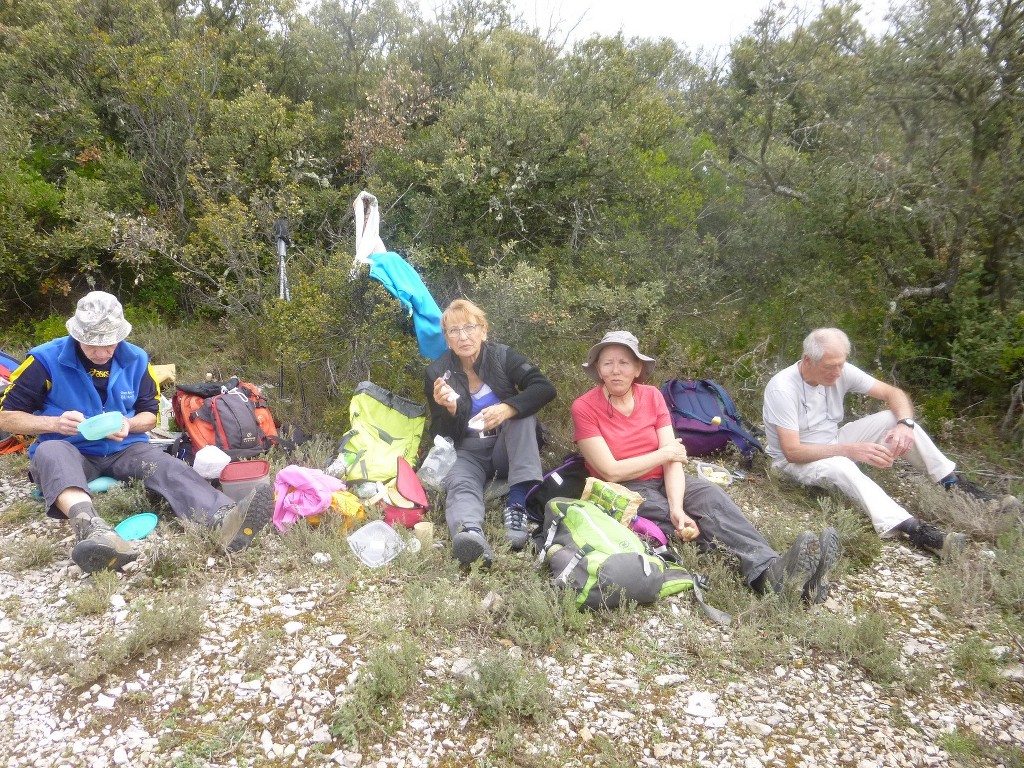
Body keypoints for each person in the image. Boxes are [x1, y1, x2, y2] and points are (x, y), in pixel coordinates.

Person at [0, 291, 274, 574]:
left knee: (168, 465)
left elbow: (149, 413)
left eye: (110, 343)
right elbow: (7, 417)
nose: (103, 352)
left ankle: (223, 519)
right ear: (76, 334)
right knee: (50, 451)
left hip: (124, 447)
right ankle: (91, 529)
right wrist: (54, 424)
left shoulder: (136, 359)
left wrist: (128, 425)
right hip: (69, 448)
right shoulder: (44, 360)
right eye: (93, 344)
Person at [571, 331, 840, 603]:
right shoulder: (584, 407)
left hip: (666, 477)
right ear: (598, 369)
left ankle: (777, 570)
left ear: (638, 368)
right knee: (684, 522)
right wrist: (665, 455)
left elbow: (674, 460)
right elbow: (611, 470)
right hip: (624, 489)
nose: (616, 370)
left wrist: (677, 505)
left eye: (624, 363)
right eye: (607, 363)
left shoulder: (652, 396)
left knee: (712, 498)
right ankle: (771, 581)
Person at [762, 327, 1015, 558]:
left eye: (841, 364)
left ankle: (954, 484)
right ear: (808, 360)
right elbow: (792, 452)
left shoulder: (840, 371)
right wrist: (850, 450)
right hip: (792, 463)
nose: (838, 373)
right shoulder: (783, 388)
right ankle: (914, 530)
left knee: (893, 417)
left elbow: (893, 394)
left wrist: (905, 425)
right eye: (831, 366)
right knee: (841, 465)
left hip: (833, 440)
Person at [425, 299, 556, 566]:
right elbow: (440, 435)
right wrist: (449, 409)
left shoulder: (503, 357)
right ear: (447, 339)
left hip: (505, 447)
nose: (463, 336)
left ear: (483, 331)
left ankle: (516, 505)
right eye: (454, 331)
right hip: (467, 450)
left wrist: (508, 408)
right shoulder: (437, 373)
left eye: (470, 327)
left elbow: (544, 388)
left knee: (522, 416)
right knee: (460, 483)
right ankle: (470, 535)